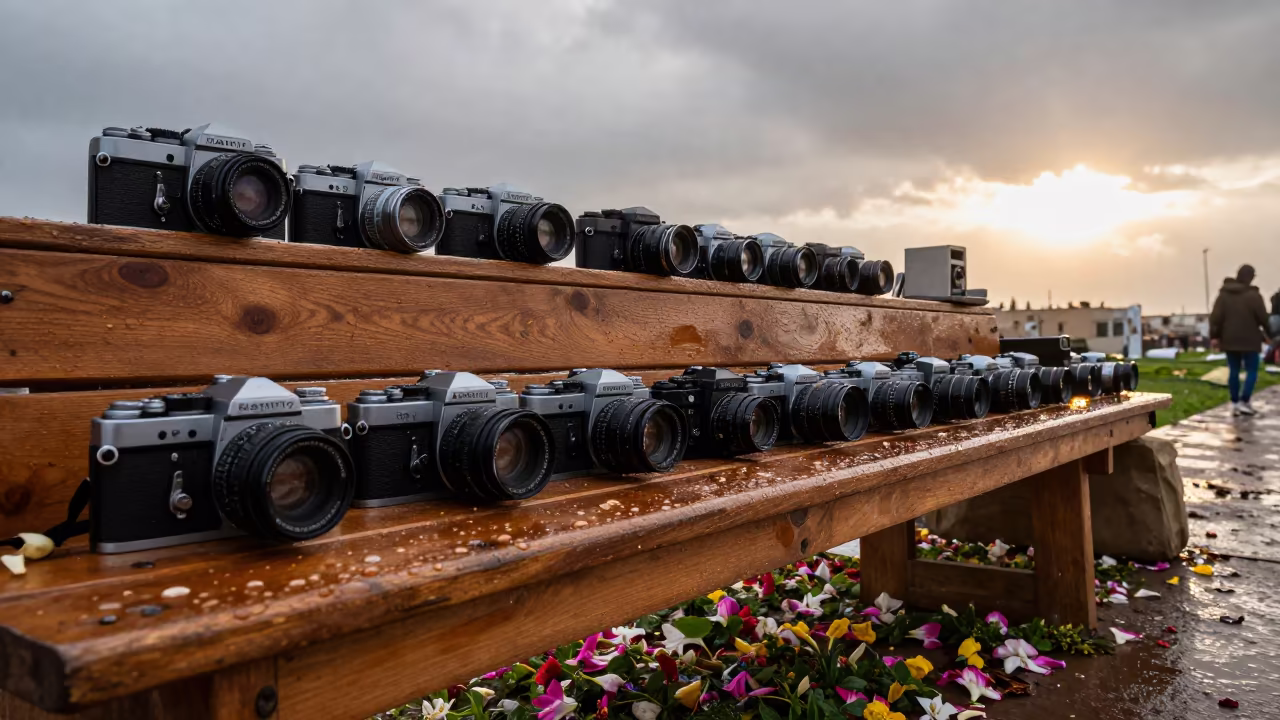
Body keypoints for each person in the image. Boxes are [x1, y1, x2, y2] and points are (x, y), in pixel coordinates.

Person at [1209, 264, 1272, 416]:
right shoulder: (1254, 296)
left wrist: (1214, 336)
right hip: (1251, 339)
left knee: (1234, 370)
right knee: (1252, 371)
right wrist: (1269, 335)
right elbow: (1263, 318)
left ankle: (1235, 403)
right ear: (1250, 277)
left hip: (1229, 339)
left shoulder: (1224, 295)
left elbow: (1215, 318)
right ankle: (1245, 401)